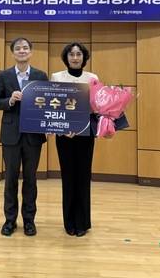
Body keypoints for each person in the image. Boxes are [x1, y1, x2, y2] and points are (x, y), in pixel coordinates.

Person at [0, 37, 48, 237]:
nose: (22, 51)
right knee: (11, 179)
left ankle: (29, 221)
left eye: (25, 48)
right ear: (12, 53)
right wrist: (10, 100)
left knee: (30, 179)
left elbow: (47, 103)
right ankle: (10, 221)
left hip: (33, 135)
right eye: (18, 48)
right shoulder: (3, 75)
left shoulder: (40, 75)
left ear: (31, 52)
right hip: (10, 135)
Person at [51, 42, 99, 237]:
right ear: (66, 57)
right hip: (64, 136)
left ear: (84, 57)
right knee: (68, 177)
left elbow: (96, 107)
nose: (75, 57)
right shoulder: (56, 77)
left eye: (79, 54)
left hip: (86, 135)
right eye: (71, 54)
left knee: (83, 177)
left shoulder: (93, 78)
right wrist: (64, 128)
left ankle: (82, 222)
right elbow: (53, 106)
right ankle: (69, 222)